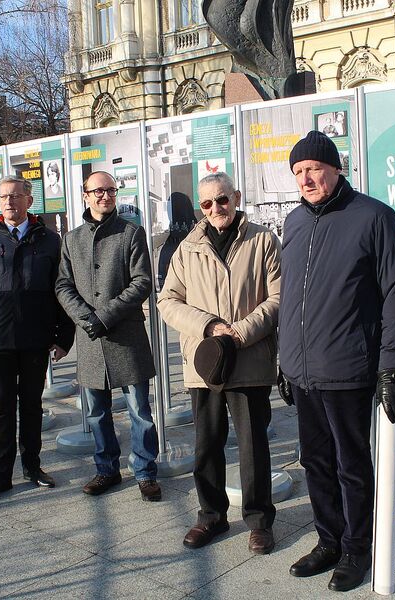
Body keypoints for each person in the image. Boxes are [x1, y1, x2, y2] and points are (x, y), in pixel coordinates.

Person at [279, 131, 395, 592]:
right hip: (304, 372)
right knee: (314, 461)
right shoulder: (295, 222)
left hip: (349, 368)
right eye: (298, 172)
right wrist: (285, 359)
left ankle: (359, 549)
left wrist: (392, 369)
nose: (306, 178)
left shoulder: (372, 216)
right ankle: (329, 540)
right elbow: (291, 296)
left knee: (351, 465)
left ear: (336, 169)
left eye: (314, 168)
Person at [158, 172, 281, 554]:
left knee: (253, 446)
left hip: (249, 359)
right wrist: (210, 326)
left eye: (222, 200)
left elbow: (278, 298)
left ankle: (259, 521)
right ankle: (211, 515)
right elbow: (167, 301)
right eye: (207, 203)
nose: (216, 209)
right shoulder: (187, 247)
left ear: (236, 197)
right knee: (206, 445)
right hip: (206, 363)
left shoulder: (263, 240)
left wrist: (239, 333)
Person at [0, 175, 73, 504]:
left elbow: (62, 293)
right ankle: (0, 475)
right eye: (3, 197)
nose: (9, 202)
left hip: (36, 340)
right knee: (2, 409)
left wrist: (63, 337)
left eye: (15, 196)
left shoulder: (50, 242)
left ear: (29, 201)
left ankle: (33, 467)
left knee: (33, 407)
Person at [55, 171, 161, 502]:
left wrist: (105, 315)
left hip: (125, 337)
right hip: (89, 340)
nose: (105, 196)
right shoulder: (72, 239)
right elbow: (62, 284)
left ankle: (145, 471)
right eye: (98, 191)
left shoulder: (131, 233)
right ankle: (106, 469)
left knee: (139, 411)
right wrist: (86, 318)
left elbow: (142, 281)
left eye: (110, 190)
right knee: (96, 411)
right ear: (85, 195)